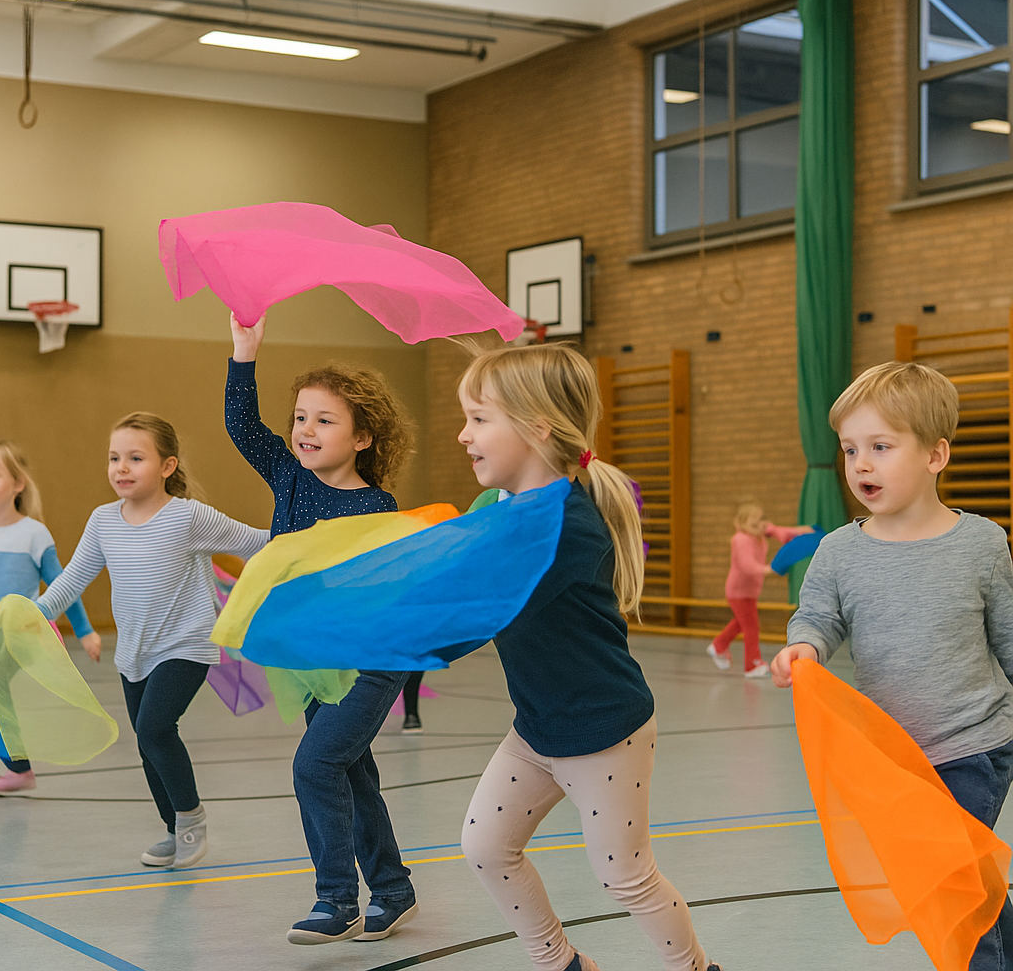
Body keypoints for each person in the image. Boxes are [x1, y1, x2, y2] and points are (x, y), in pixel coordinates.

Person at [456, 343, 722, 971]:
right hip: (538, 727)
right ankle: (561, 963)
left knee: (625, 877)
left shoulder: (565, 529)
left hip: (604, 733)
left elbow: (476, 609)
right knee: (486, 847)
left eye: (479, 418)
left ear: (536, 428)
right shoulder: (505, 510)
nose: (463, 435)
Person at [771, 361, 1013, 971]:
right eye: (850, 449)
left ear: (935, 455)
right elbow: (817, 616)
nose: (861, 465)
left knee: (949, 882)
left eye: (880, 447)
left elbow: (1009, 638)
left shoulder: (982, 543)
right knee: (967, 876)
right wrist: (805, 647)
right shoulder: (838, 551)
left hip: (972, 746)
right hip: (892, 757)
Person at [226, 312, 419, 945]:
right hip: (313, 660)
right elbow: (242, 425)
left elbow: (378, 596)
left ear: (362, 437)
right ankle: (393, 890)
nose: (306, 430)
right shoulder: (289, 477)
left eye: (325, 420)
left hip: (369, 661)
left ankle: (337, 899)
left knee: (316, 765)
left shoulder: (375, 508)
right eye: (300, 418)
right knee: (352, 773)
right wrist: (244, 353)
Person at [36, 413, 267, 869]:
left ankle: (191, 820)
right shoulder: (103, 520)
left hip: (186, 645)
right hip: (133, 653)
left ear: (167, 466)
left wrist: (314, 535)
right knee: (147, 744)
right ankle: (172, 829)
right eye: (114, 458)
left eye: (135, 458)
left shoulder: (187, 517)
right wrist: (33, 615)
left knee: (155, 729)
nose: (121, 467)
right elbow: (72, 579)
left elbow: (256, 541)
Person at [0, 440, 98, 794]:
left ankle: (18, 767)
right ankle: (18, 768)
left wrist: (85, 631)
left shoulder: (33, 534)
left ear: (18, 484)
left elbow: (64, 585)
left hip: (19, 634)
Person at [706, 504, 811, 677]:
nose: (760, 524)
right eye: (754, 522)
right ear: (742, 523)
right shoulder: (741, 539)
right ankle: (752, 664)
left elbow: (781, 532)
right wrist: (768, 569)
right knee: (751, 627)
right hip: (739, 591)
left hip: (750, 591)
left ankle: (718, 645)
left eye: (762, 519)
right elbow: (747, 565)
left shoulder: (760, 531)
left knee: (741, 623)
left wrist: (801, 531)